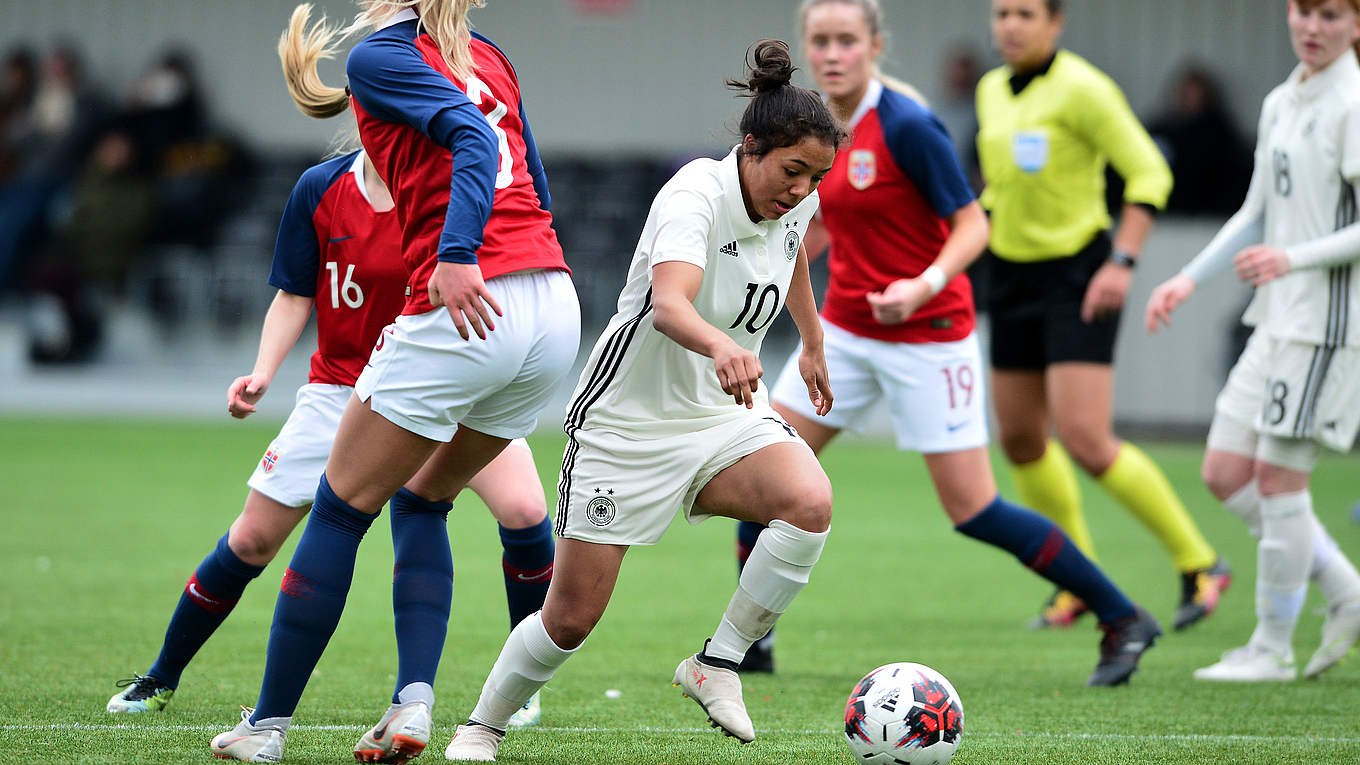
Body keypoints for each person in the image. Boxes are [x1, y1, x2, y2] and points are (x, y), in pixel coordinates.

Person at [733, 0, 1160, 688]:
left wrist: (922, 285)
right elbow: (818, 230)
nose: (834, 53)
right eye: (822, 41)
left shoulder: (907, 125)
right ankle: (750, 641)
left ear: (875, 45)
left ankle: (1122, 615)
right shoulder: (812, 130)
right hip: (846, 333)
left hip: (929, 337)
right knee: (764, 470)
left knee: (974, 510)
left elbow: (972, 225)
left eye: (847, 40)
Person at [443, 40, 839, 761]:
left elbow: (795, 257)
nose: (802, 190)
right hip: (627, 425)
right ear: (751, 148)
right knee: (570, 618)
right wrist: (722, 346)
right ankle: (482, 725)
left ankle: (717, 663)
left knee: (809, 501)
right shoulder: (694, 196)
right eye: (793, 171)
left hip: (722, 415)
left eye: (816, 177)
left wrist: (811, 341)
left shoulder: (794, 199)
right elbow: (669, 305)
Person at [210, 2, 579, 762]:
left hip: (470, 301)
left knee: (339, 510)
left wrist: (458, 250)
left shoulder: (381, 54)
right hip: (552, 303)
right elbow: (534, 181)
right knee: (421, 498)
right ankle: (413, 702)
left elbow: (472, 136)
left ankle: (266, 728)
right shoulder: (487, 53)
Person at [105, 147, 553, 730]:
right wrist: (263, 372)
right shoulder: (321, 187)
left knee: (525, 510)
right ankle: (161, 677)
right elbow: (295, 292)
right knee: (252, 540)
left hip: (442, 386)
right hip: (341, 392)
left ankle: (517, 688)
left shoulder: (452, 182)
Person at [975, 0, 1230, 631]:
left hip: (1077, 277)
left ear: (1055, 23)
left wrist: (1122, 261)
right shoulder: (990, 90)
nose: (1011, 25)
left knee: (1086, 439)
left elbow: (1149, 172)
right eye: (1002, 13)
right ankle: (1078, 583)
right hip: (1010, 275)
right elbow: (999, 187)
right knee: (1021, 439)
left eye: (1026, 13)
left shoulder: (1084, 88)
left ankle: (1200, 562)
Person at [1146, 0, 1360, 682]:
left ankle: (1271, 648)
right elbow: (1257, 211)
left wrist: (1292, 259)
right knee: (1224, 470)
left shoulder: (1352, 102)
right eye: (1303, 11)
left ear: (1356, 24)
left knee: (1278, 478)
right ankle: (1349, 593)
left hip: (1323, 325)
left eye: (1331, 14)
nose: (1313, 26)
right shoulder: (1281, 101)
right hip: (1276, 318)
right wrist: (1187, 277)